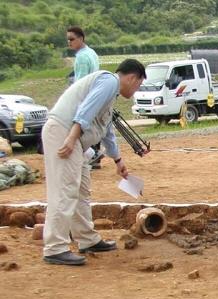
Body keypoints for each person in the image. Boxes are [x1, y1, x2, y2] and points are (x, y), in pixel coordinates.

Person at [42, 59, 146, 266]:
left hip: (75, 139)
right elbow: (86, 110)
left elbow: (106, 130)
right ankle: (55, 248)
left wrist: (118, 160)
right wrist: (71, 138)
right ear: (132, 77)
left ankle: (87, 239)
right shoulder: (108, 82)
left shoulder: (111, 93)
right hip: (65, 133)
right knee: (65, 190)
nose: (136, 90)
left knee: (81, 190)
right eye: (138, 85)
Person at [66, 26, 104, 170]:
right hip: (95, 93)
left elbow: (80, 82)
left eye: (72, 39)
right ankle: (95, 156)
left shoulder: (81, 57)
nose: (69, 42)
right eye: (68, 40)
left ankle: (91, 155)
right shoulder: (91, 52)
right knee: (94, 127)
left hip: (85, 95)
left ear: (81, 38)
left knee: (79, 127)